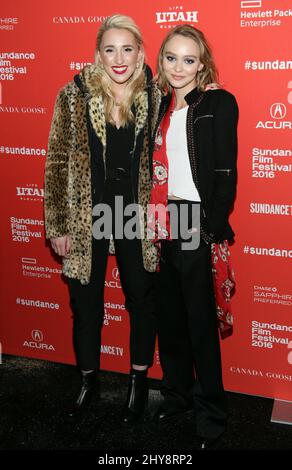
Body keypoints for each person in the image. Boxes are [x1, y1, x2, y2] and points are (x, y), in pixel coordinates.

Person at [44, 14, 159, 424]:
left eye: (127, 48)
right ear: (97, 54)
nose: (119, 58)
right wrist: (56, 225)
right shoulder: (73, 95)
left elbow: (190, 109)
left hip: (134, 216)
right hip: (84, 216)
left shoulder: (155, 96)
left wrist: (209, 93)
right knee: (86, 305)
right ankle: (89, 382)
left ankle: (138, 384)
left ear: (140, 52)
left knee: (142, 301)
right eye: (110, 49)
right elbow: (57, 161)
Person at [147, 25, 238, 448]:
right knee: (170, 317)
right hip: (160, 218)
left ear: (202, 64)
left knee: (200, 322)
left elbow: (224, 174)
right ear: (161, 61)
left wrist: (210, 230)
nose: (178, 67)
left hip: (195, 219)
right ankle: (177, 395)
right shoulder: (158, 107)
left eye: (188, 59)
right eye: (171, 58)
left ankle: (212, 413)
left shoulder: (219, 103)